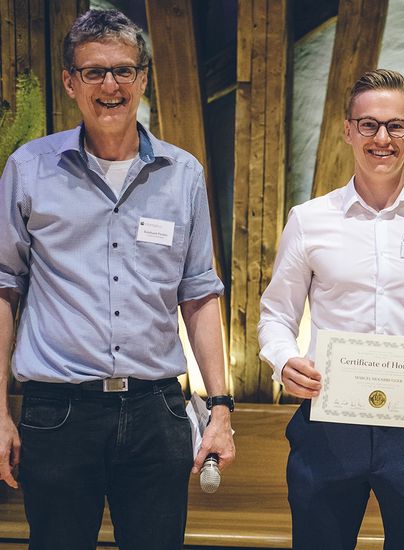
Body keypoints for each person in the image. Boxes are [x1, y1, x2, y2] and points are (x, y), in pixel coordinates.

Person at [0, 9, 235, 550]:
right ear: (70, 82)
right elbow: (5, 290)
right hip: (57, 412)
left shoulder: (184, 174)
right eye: (94, 71)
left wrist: (219, 408)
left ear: (144, 78)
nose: (111, 85)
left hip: (157, 412)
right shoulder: (29, 168)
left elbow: (199, 295)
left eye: (125, 70)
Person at [258, 69, 404, 550]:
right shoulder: (308, 221)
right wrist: (284, 361)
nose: (382, 138)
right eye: (368, 125)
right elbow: (276, 315)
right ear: (347, 130)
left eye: (396, 126)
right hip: (328, 423)